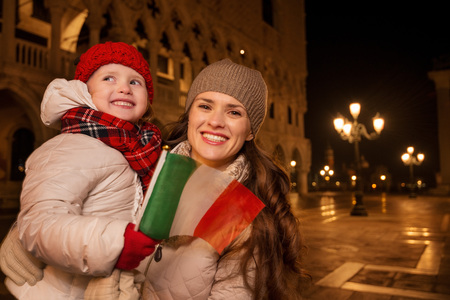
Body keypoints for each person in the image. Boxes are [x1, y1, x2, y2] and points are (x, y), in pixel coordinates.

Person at [2, 58, 310, 299]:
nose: (215, 122)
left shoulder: (241, 214)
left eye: (234, 112)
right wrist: (30, 236)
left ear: (251, 130)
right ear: (190, 114)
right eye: (205, 106)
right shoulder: (147, 163)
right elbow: (85, 204)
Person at [0, 41, 162, 299]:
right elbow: (39, 222)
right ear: (84, 91)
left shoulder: (140, 147)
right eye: (109, 78)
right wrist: (117, 244)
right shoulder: (70, 145)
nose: (124, 87)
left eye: (135, 82)